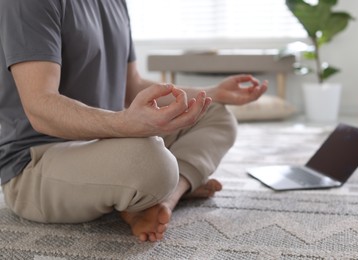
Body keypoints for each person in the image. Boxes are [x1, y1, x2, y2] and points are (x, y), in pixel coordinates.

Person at [0, 0, 267, 242]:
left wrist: (212, 93)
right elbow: (40, 107)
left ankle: (166, 198)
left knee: (216, 115)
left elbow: (132, 86)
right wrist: (125, 124)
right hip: (36, 162)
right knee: (149, 159)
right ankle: (166, 186)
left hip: (106, 143)